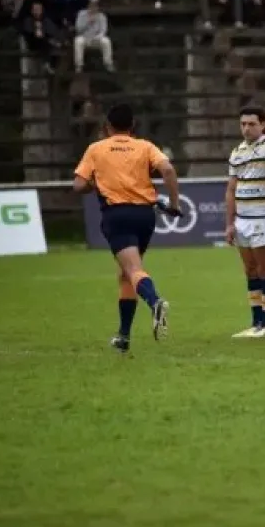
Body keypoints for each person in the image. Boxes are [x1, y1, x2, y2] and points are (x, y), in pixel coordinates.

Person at [73, 104, 178, 353]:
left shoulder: (96, 148)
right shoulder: (145, 146)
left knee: (132, 270)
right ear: (132, 126)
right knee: (127, 274)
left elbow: (78, 185)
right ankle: (123, 336)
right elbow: (168, 170)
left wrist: (95, 184)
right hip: (145, 215)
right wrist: (173, 204)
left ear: (107, 126)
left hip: (117, 214)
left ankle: (155, 302)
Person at [226, 106, 265, 339]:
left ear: (263, 124)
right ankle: (255, 322)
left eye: (252, 124)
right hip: (242, 220)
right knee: (250, 271)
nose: (246, 128)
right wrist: (230, 222)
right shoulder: (237, 151)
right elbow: (231, 189)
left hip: (264, 217)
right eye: (243, 124)